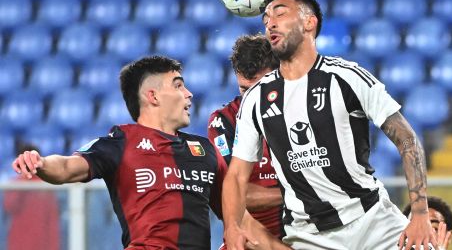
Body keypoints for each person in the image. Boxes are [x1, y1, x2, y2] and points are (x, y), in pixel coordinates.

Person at [222, 0, 437, 250]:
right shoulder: (256, 98)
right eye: (265, 18)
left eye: (280, 13)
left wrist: (420, 214)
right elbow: (235, 177)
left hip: (373, 222)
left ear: (309, 23)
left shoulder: (348, 77)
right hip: (309, 237)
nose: (270, 22)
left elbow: (407, 139)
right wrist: (232, 227)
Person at [11, 56, 282, 250]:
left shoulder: (205, 151)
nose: (189, 94)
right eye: (178, 85)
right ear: (152, 96)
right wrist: (41, 163)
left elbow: (241, 220)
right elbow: (69, 167)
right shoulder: (121, 141)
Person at [207, 35, 283, 243]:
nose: (252, 100)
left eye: (260, 89)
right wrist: (297, 195)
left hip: (308, 235)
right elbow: (236, 195)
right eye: (244, 90)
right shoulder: (224, 122)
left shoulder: (305, 112)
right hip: (252, 238)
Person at [4, 144, 61, 250]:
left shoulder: (46, 186)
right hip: (18, 242)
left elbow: (52, 220)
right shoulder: (15, 184)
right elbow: (9, 207)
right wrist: (23, 179)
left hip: (41, 243)